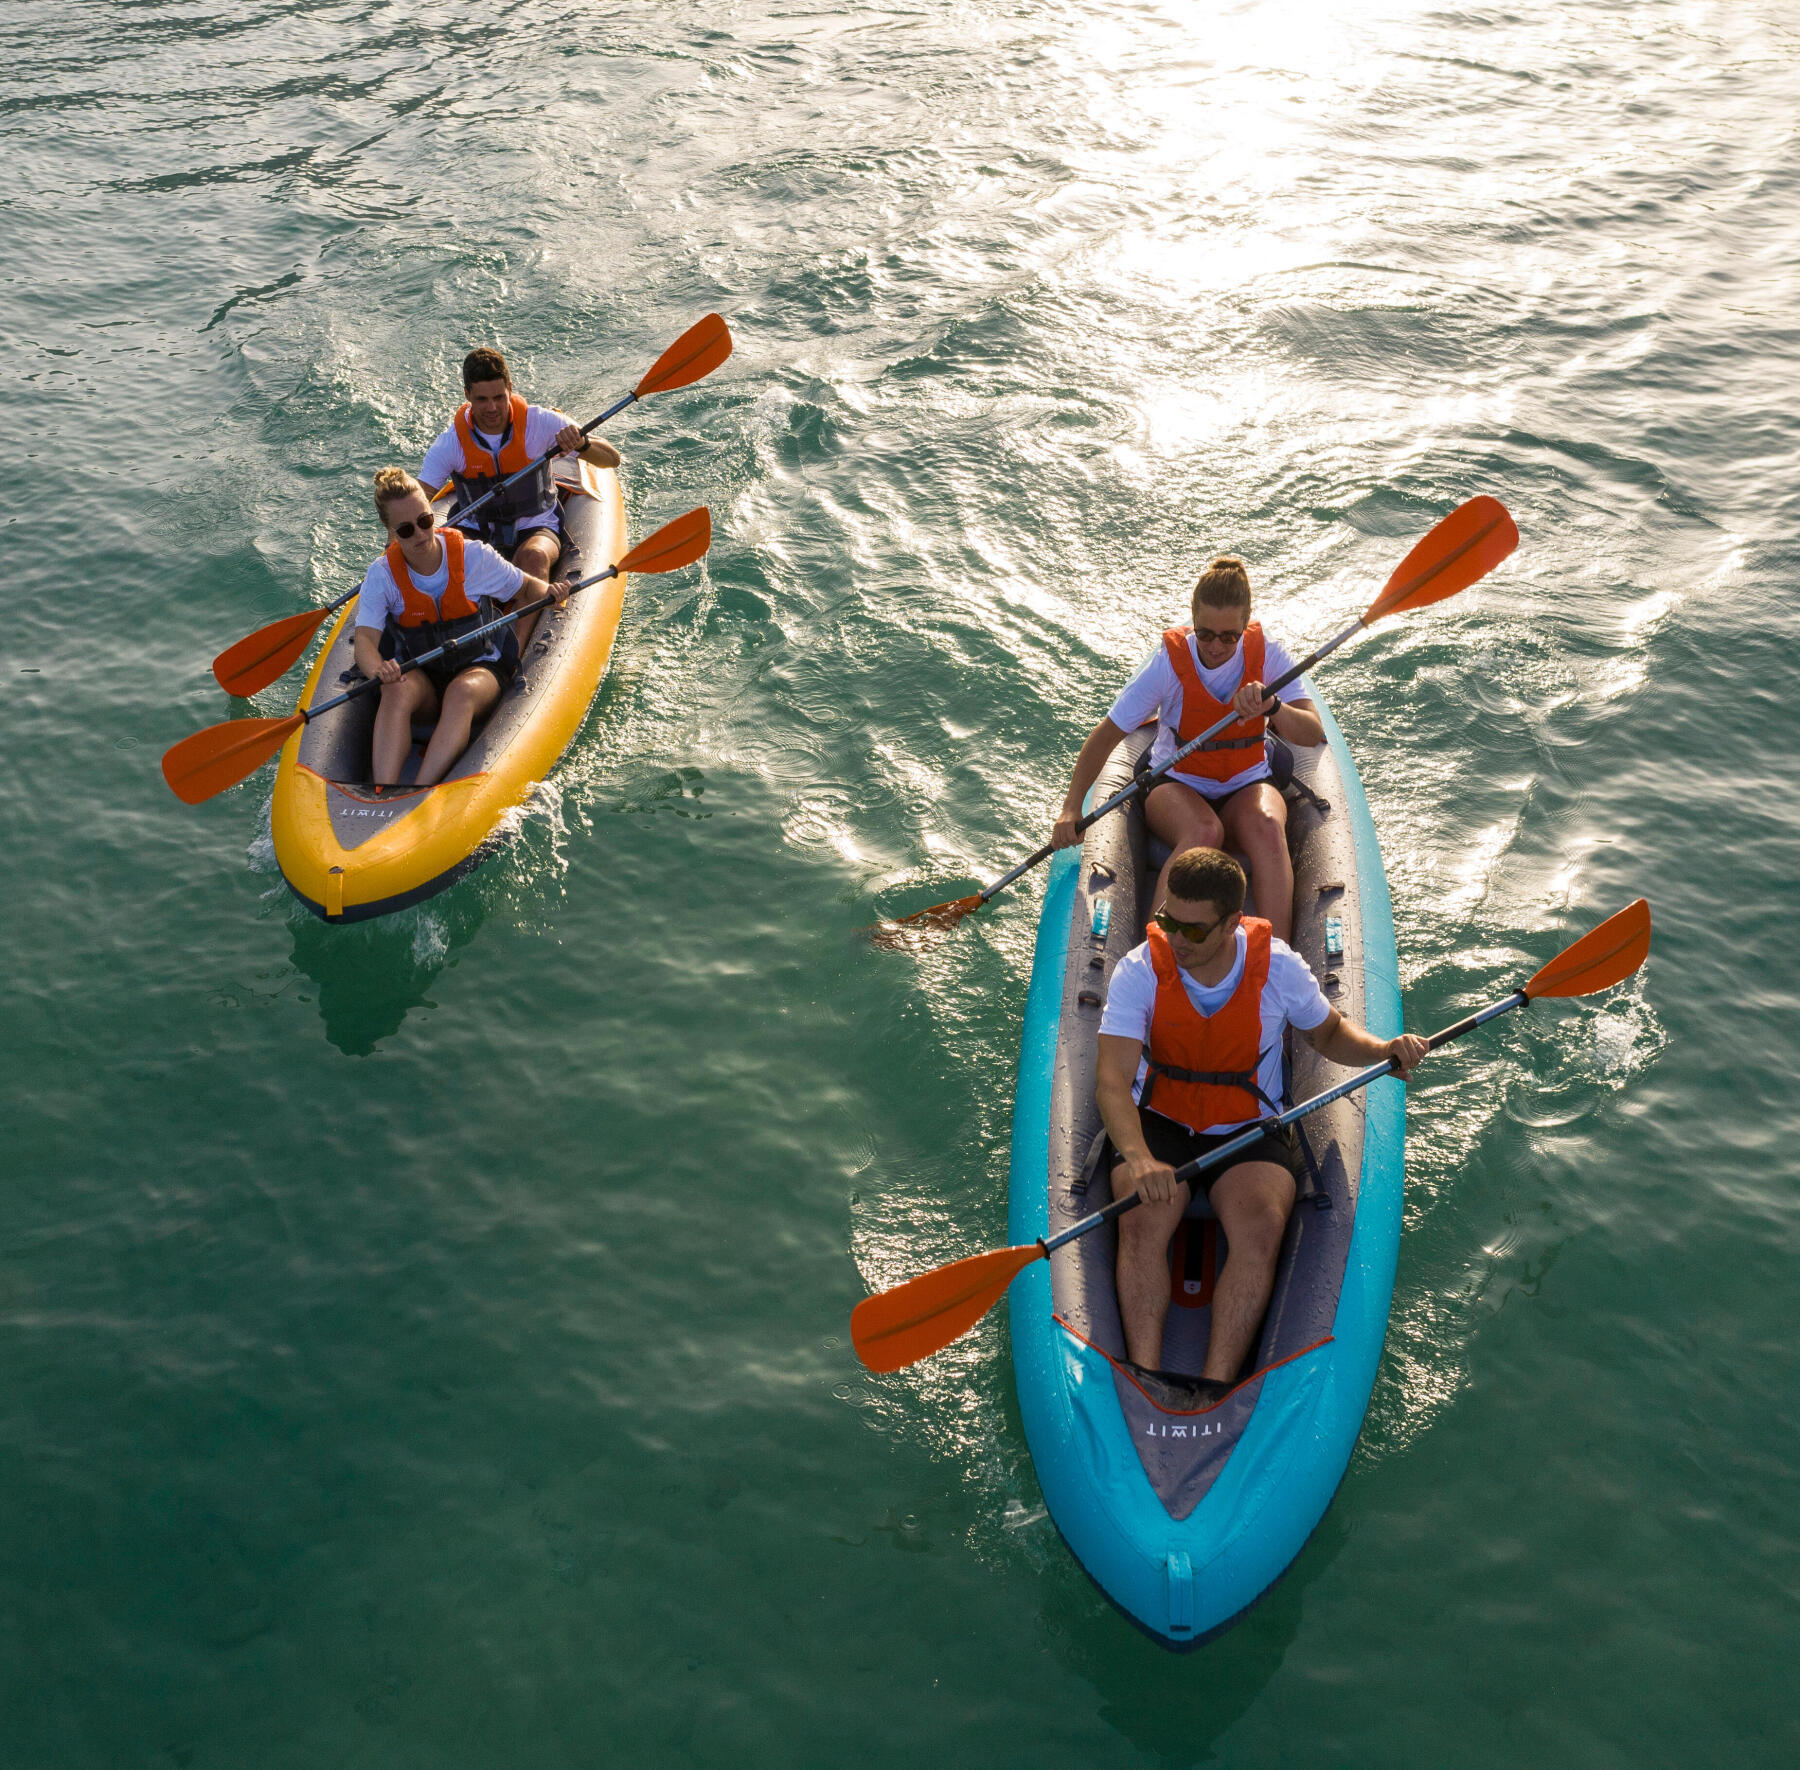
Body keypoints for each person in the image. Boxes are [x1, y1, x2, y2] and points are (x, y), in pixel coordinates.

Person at [1096, 847, 1427, 1407]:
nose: (1175, 937)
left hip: (1248, 1129)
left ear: (1230, 923)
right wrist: (1138, 1157)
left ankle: (1217, 1385)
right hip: (1160, 1124)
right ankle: (1143, 1377)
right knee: (1142, 1219)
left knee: (1261, 1228)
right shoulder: (1139, 971)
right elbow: (1111, 1081)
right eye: (1168, 920)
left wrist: (1384, 1051)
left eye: (1193, 929)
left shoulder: (1277, 967)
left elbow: (1329, 1036)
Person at [1052, 555, 1325, 943]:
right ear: (1193, 623)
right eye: (1206, 634)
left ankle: (1275, 959)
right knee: (1204, 830)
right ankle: (1153, 955)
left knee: (1267, 825)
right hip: (1177, 782)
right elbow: (1107, 734)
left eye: (1229, 637)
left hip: (1246, 782)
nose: (1215, 646)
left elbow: (1311, 732)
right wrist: (1071, 806)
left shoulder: (1269, 655)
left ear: (1245, 625)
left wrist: (1273, 706)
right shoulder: (1168, 664)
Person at [352, 468, 571, 790]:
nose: (421, 535)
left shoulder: (471, 556)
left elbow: (527, 589)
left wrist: (552, 592)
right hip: (422, 679)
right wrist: (377, 669)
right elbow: (365, 642)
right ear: (390, 532)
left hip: (479, 670)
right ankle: (382, 791)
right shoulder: (382, 575)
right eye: (406, 530)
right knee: (395, 689)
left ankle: (418, 792)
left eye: (425, 521)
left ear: (431, 514)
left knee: (461, 692)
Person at [418, 346, 620, 655]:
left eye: (499, 397)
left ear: (510, 389)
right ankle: (463, 649)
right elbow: (418, 500)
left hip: (535, 525)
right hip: (476, 530)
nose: (492, 408)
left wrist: (582, 442)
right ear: (467, 396)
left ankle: (514, 653)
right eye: (482, 399)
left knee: (534, 559)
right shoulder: (450, 443)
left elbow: (611, 460)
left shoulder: (540, 423)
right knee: (450, 575)